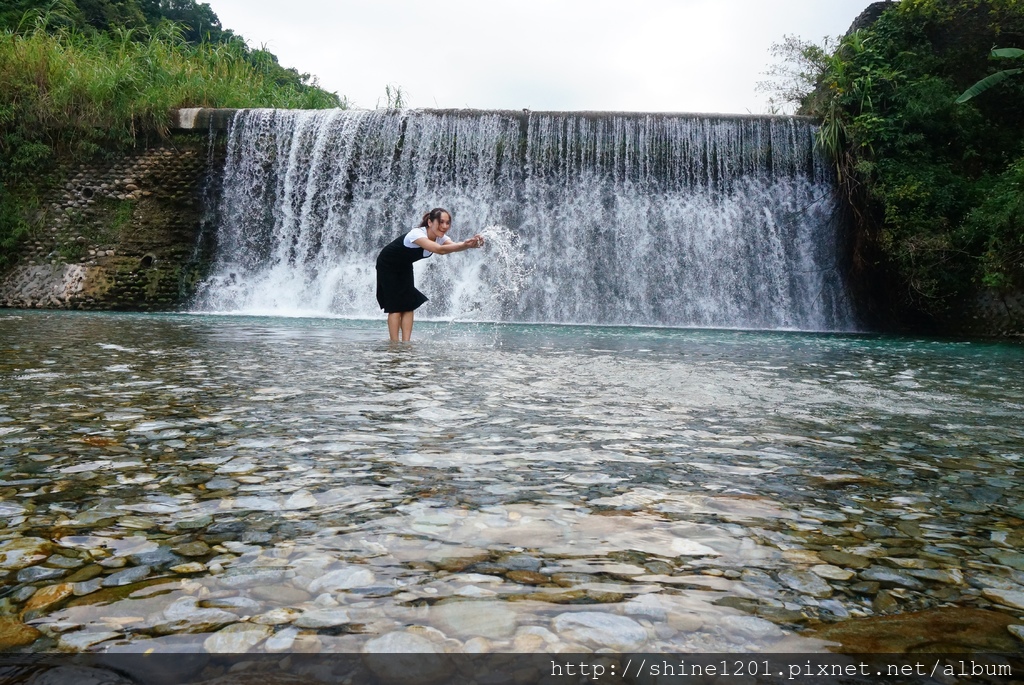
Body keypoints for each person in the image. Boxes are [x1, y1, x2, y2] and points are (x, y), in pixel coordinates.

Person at [375, 208, 484, 341]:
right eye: (441, 222)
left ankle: (406, 343)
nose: (445, 226)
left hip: (404, 264)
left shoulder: (441, 238)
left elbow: (454, 246)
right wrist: (465, 245)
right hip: (388, 264)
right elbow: (440, 250)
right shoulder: (417, 234)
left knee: (408, 304)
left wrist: (469, 244)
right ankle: (394, 343)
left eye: (447, 223)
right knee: (395, 306)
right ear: (430, 222)